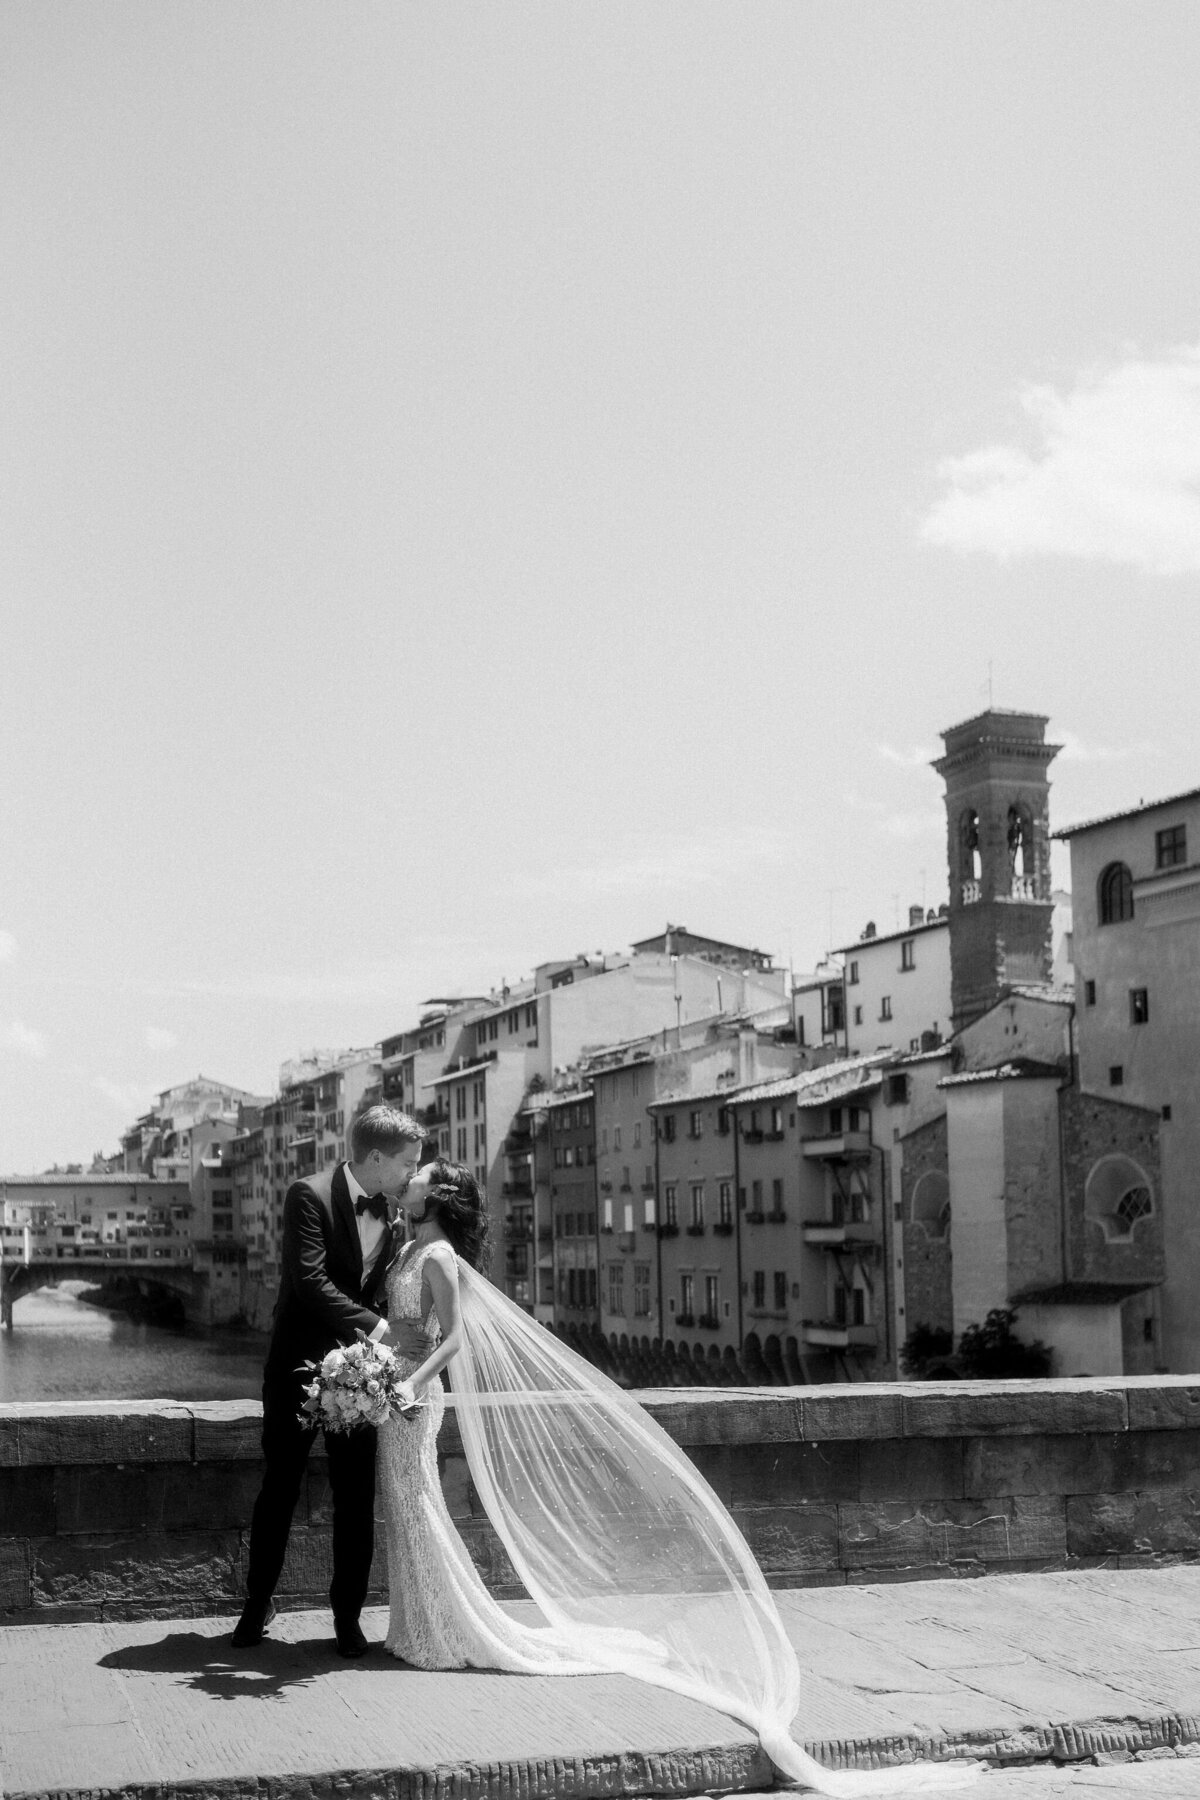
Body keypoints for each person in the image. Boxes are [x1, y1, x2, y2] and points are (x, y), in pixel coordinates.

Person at [378, 1161, 978, 1797]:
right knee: (404, 1505)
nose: (411, 1178)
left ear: (436, 1197)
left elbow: (455, 1340)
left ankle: (441, 1626)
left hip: (413, 1398)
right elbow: (402, 1324)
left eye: (421, 1175)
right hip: (394, 1387)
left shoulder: (438, 1256)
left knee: (418, 1505)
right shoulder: (410, 1247)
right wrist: (367, 1361)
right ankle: (417, 1623)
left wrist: (405, 1383)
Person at [231, 1104, 432, 1656]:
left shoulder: (392, 1216)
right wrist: (385, 1330)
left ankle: (347, 1618)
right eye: (408, 1164)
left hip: (363, 1376)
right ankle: (256, 1606)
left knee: (354, 1496)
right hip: (297, 1368)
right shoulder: (308, 1194)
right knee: (280, 1489)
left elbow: (373, 1284)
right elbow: (311, 1282)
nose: (413, 1175)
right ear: (374, 1158)